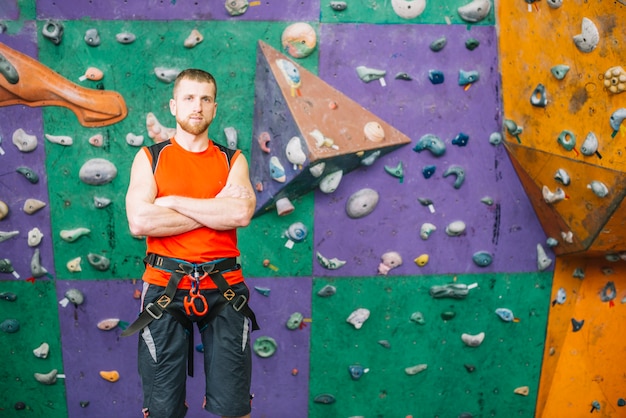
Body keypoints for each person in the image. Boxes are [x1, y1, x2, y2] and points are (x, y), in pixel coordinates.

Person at [124, 68, 258, 418]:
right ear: (173, 106)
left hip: (224, 287)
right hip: (164, 288)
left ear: (215, 108)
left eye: (205, 99)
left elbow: (241, 214)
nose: (196, 106)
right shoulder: (150, 158)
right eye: (188, 98)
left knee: (234, 408)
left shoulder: (233, 160)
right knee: (161, 410)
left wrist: (171, 202)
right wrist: (217, 208)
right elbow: (139, 221)